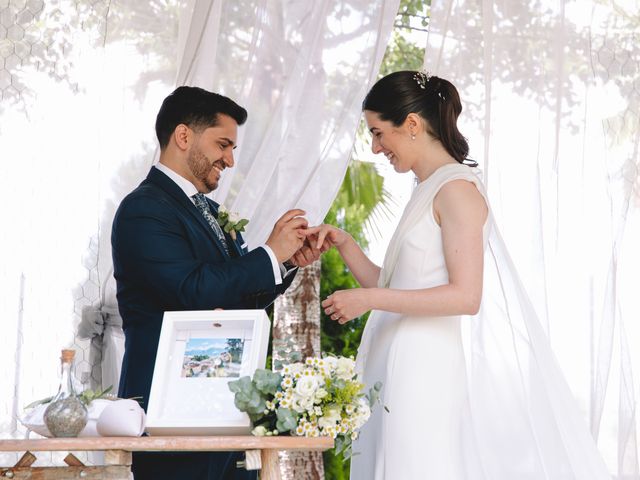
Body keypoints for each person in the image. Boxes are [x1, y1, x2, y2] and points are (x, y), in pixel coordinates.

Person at [308, 71, 612, 479]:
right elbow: (393, 286)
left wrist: (370, 301)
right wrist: (345, 243)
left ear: (412, 125)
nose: (376, 147)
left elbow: (465, 297)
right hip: (395, 360)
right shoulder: (426, 188)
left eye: (379, 133)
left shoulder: (456, 190)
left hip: (423, 366)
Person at [111, 86, 319, 480]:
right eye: (223, 144)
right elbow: (192, 290)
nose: (230, 158)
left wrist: (284, 263)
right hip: (167, 410)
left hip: (228, 405)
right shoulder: (144, 209)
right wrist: (268, 254)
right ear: (184, 135)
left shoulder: (209, 210)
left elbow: (235, 296)